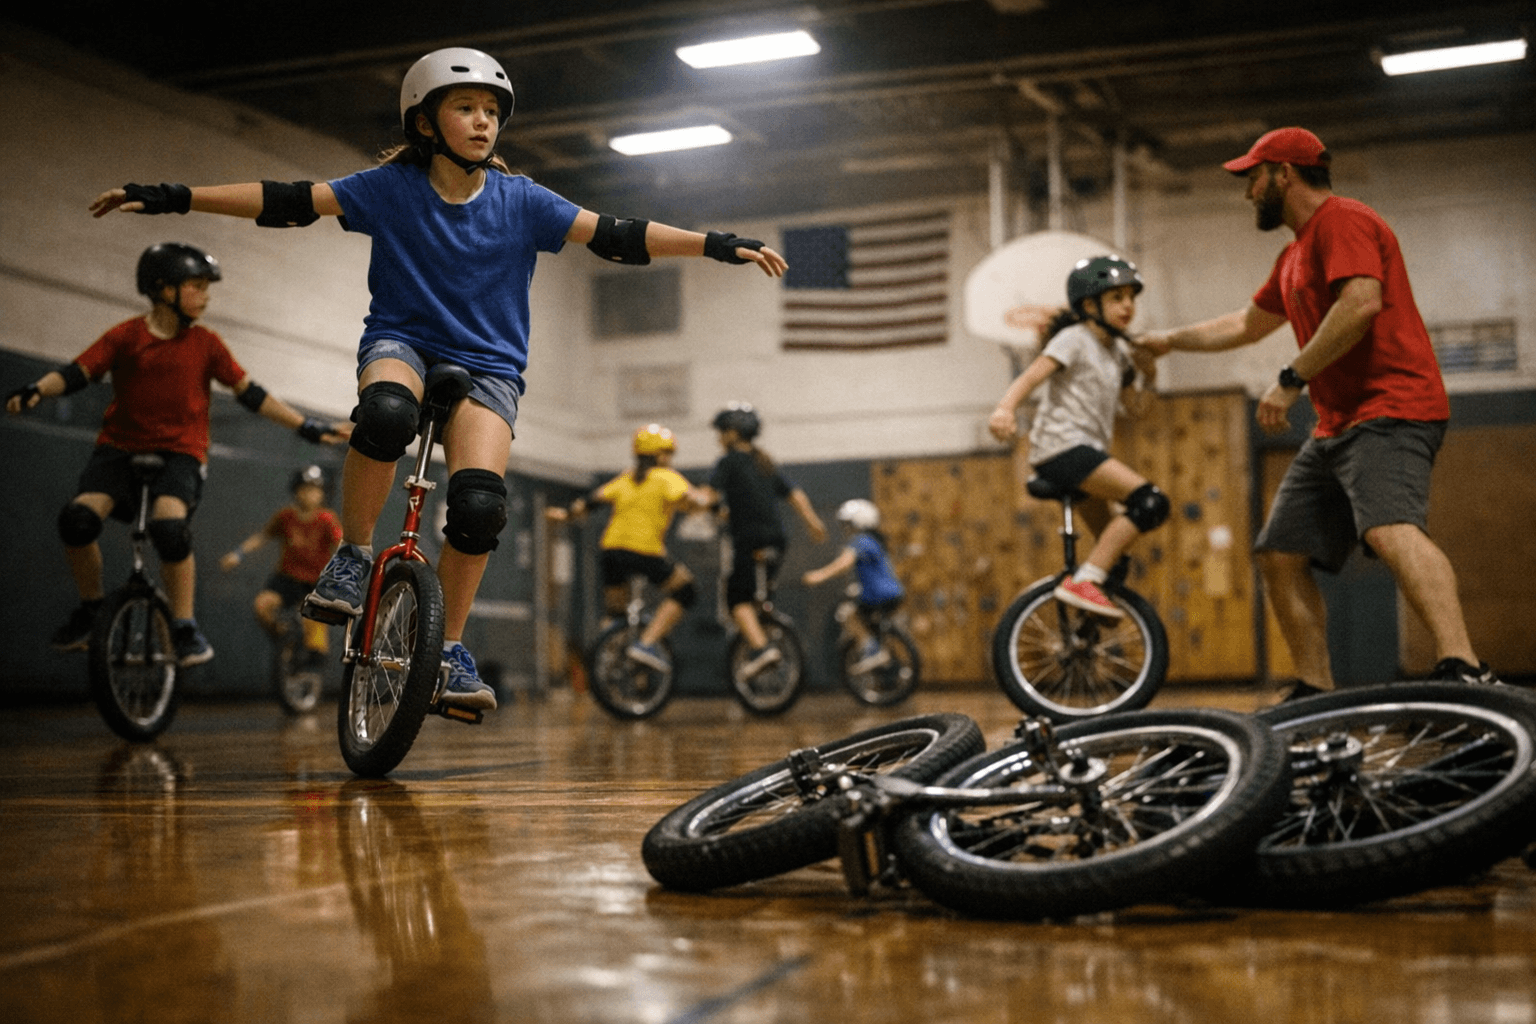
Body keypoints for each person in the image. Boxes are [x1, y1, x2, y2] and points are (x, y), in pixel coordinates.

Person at [90, 47, 787, 711]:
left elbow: (618, 234)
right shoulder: (390, 189)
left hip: (490, 367)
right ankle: (355, 555)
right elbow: (286, 199)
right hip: (404, 344)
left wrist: (716, 245)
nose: (484, 121)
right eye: (466, 108)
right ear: (425, 122)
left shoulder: (522, 200)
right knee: (388, 414)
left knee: (481, 507)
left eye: (492, 109)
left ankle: (448, 651)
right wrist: (175, 197)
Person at [1137, 126, 1497, 698]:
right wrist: (1167, 340)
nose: (1247, 192)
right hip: (1337, 426)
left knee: (1389, 528)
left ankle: (1464, 664)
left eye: (1253, 178)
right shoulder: (1293, 254)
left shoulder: (1343, 221)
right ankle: (1314, 686)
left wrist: (1290, 380)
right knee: (1280, 554)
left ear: (1284, 173)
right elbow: (1244, 325)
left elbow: (1361, 303)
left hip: (1392, 407)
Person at [5, 243, 347, 666]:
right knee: (77, 520)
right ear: (164, 290)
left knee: (170, 529)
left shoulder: (206, 344)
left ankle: (184, 626)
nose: (206, 297)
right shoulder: (126, 336)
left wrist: (307, 426)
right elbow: (78, 371)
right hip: (118, 450)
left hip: (179, 456)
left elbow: (250, 394)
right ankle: (91, 608)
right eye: (197, 287)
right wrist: (37, 389)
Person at [988, 256, 1166, 618]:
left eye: (1131, 297)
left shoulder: (1117, 354)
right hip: (1062, 448)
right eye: (1117, 297)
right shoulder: (1074, 339)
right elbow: (1031, 376)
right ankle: (1084, 583)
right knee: (1150, 502)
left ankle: (1085, 624)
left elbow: (1137, 408)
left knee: (1113, 559)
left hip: (1085, 454)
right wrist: (1005, 409)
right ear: (1089, 305)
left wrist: (1150, 376)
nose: (1128, 305)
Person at [546, 424, 709, 673]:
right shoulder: (667, 477)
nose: (670, 459)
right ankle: (647, 644)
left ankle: (607, 659)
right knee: (686, 591)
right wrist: (706, 501)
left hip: (611, 551)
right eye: (667, 453)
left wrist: (566, 514)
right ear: (657, 455)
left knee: (615, 614)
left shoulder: (627, 477)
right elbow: (690, 500)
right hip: (644, 551)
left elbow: (591, 501)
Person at [703, 402, 827, 682]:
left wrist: (692, 500)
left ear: (734, 433)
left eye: (722, 431)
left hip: (748, 538)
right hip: (776, 540)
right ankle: (762, 619)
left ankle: (760, 650)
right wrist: (813, 523)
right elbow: (795, 494)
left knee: (736, 599)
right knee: (760, 592)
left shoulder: (729, 461)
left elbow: (709, 496)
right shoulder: (765, 461)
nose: (719, 438)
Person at [219, 464, 343, 667]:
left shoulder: (327, 519)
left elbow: (340, 544)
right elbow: (263, 536)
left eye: (315, 490)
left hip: (314, 583)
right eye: (305, 489)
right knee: (262, 607)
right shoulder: (285, 516)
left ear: (322, 494)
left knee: (315, 632)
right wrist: (238, 554)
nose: (309, 494)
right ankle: (286, 641)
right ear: (295, 491)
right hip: (286, 579)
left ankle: (313, 655)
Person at [802, 498, 905, 674]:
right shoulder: (875, 541)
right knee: (865, 620)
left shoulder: (861, 540)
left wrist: (818, 576)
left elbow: (843, 564)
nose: (846, 530)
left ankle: (872, 651)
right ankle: (879, 651)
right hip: (894, 593)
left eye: (849, 524)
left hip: (878, 595)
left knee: (847, 615)